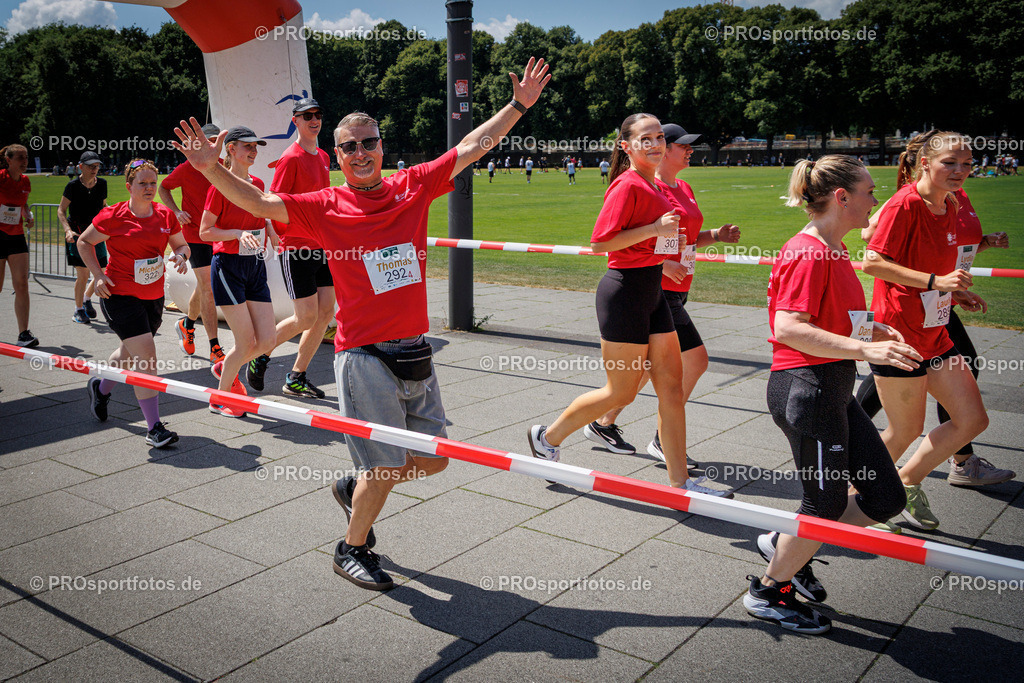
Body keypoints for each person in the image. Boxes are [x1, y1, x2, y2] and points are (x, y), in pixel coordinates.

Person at [174, 57, 551, 591]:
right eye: (348, 146)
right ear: (340, 155)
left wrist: (518, 106)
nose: (359, 153)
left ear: (380, 145)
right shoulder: (325, 205)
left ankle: (354, 483)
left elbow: (470, 147)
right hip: (363, 356)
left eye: (368, 142)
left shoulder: (411, 187)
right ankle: (350, 548)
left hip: (415, 348)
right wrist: (210, 167)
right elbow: (257, 201)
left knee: (432, 460)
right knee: (385, 469)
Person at [744, 154, 913, 635]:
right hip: (808, 390)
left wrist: (875, 330)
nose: (875, 201)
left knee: (884, 496)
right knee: (825, 503)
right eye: (869, 193)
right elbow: (789, 328)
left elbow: (834, 318)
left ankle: (785, 541)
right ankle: (768, 591)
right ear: (842, 197)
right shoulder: (809, 251)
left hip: (832, 386)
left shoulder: (835, 250)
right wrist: (865, 348)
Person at [527, 114, 730, 497]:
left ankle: (681, 483)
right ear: (626, 146)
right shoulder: (627, 184)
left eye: (658, 138)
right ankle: (547, 436)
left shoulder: (654, 184)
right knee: (620, 393)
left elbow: (662, 242)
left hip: (653, 294)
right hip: (624, 296)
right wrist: (656, 230)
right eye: (645, 139)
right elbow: (600, 243)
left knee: (671, 390)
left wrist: (679, 241)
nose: (655, 144)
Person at [855, 133, 1014, 523]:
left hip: (936, 330)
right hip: (899, 335)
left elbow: (937, 260)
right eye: (950, 163)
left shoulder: (953, 203)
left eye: (966, 164)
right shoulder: (905, 204)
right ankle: (848, 496)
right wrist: (936, 283)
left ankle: (906, 483)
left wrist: (953, 295)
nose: (960, 171)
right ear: (925, 163)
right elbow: (872, 261)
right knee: (904, 431)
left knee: (972, 419)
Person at [584, 124, 741, 469]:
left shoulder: (682, 187)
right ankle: (662, 438)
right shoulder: (650, 188)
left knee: (640, 373)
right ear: (663, 149)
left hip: (678, 289)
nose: (689, 150)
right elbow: (630, 241)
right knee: (696, 360)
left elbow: (683, 238)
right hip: (657, 290)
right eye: (682, 145)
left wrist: (715, 235)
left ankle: (602, 423)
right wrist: (661, 263)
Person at [78, 159, 190, 448]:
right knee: (147, 358)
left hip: (153, 297)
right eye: (143, 183)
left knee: (127, 354)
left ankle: (101, 389)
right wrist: (98, 275)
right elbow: (83, 242)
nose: (150, 188)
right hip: (119, 294)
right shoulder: (113, 216)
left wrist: (181, 256)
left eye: (153, 182)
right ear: (129, 186)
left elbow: (181, 244)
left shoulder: (165, 216)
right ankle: (154, 428)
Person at [247, 97, 334, 399]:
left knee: (325, 313)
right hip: (296, 248)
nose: (314, 119)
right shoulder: (291, 158)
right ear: (295, 121)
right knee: (305, 317)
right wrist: (280, 235)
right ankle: (260, 354)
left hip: (322, 246)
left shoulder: (323, 156)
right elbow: (273, 202)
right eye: (306, 115)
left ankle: (296, 376)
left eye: (318, 114)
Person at [199, 126, 278, 417]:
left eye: (256, 146)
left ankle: (226, 365)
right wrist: (236, 232)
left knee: (267, 341)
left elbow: (261, 212)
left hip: (254, 264)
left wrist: (270, 228)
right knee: (246, 342)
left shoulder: (256, 182)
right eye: (247, 146)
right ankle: (218, 399)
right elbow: (205, 232)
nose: (254, 151)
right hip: (228, 267)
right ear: (230, 149)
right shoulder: (219, 186)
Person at [160, 123, 226, 363]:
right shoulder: (187, 168)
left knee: (204, 285)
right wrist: (176, 212)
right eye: (207, 140)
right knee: (208, 287)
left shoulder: (223, 167)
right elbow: (164, 187)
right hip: (195, 235)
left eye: (214, 140)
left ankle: (187, 323)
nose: (211, 145)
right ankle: (214, 346)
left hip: (218, 234)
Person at [59, 151, 108, 324]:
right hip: (77, 234)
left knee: (101, 271)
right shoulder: (72, 186)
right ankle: (78, 310)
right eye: (90, 166)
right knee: (83, 273)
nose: (95, 169)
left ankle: (87, 299)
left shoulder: (102, 184)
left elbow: (103, 206)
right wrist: (67, 230)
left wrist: (112, 221)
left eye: (97, 166)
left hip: (96, 232)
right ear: (80, 167)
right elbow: (61, 210)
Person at [0, 144, 37, 347]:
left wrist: (27, 216)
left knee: (21, 284)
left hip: (16, 236)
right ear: (9, 160)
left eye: (26, 157)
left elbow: (22, 204)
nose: (24, 161)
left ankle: (23, 333)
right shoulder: (0, 178)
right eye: (20, 158)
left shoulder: (25, 181)